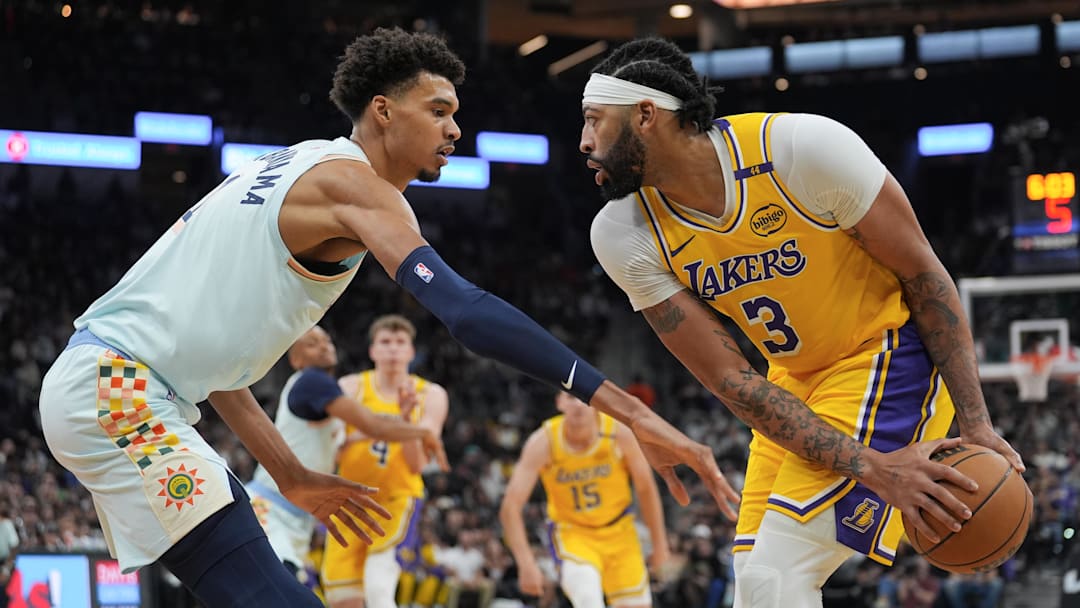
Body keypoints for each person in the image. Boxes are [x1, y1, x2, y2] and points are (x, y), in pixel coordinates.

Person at [37, 28, 738, 608]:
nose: (455, 128)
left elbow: (214, 367)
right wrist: (631, 412)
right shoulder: (354, 188)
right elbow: (465, 312)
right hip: (118, 390)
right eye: (438, 110)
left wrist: (288, 473)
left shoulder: (293, 164)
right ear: (382, 111)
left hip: (118, 384)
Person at [579, 37, 1024, 607]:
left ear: (646, 116)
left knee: (779, 577)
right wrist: (870, 467)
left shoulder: (798, 149)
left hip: (885, 354)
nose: (585, 143)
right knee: (756, 588)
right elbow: (732, 381)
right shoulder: (622, 233)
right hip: (794, 381)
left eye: (595, 121)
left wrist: (976, 422)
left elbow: (925, 277)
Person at [246, 324, 448, 581]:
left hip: (296, 514)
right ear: (295, 359)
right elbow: (374, 425)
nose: (323, 346)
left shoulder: (323, 396)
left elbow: (361, 434)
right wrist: (422, 432)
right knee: (274, 592)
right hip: (272, 508)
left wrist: (404, 422)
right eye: (311, 343)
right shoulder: (313, 382)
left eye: (326, 340)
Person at [500, 391, 671, 608]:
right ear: (559, 402)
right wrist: (525, 563)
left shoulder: (619, 434)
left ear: (597, 403)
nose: (579, 405)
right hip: (573, 534)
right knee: (588, 599)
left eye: (584, 398)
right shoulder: (544, 441)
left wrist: (660, 544)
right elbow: (510, 506)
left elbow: (646, 489)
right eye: (571, 398)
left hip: (620, 533)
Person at [322, 315, 449, 608]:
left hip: (396, 500)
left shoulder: (430, 395)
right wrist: (386, 429)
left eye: (400, 342)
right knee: (341, 600)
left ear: (411, 352)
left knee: (378, 588)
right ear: (372, 351)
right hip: (348, 504)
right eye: (385, 342)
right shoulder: (351, 387)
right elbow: (334, 451)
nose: (393, 349)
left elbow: (417, 464)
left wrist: (405, 421)